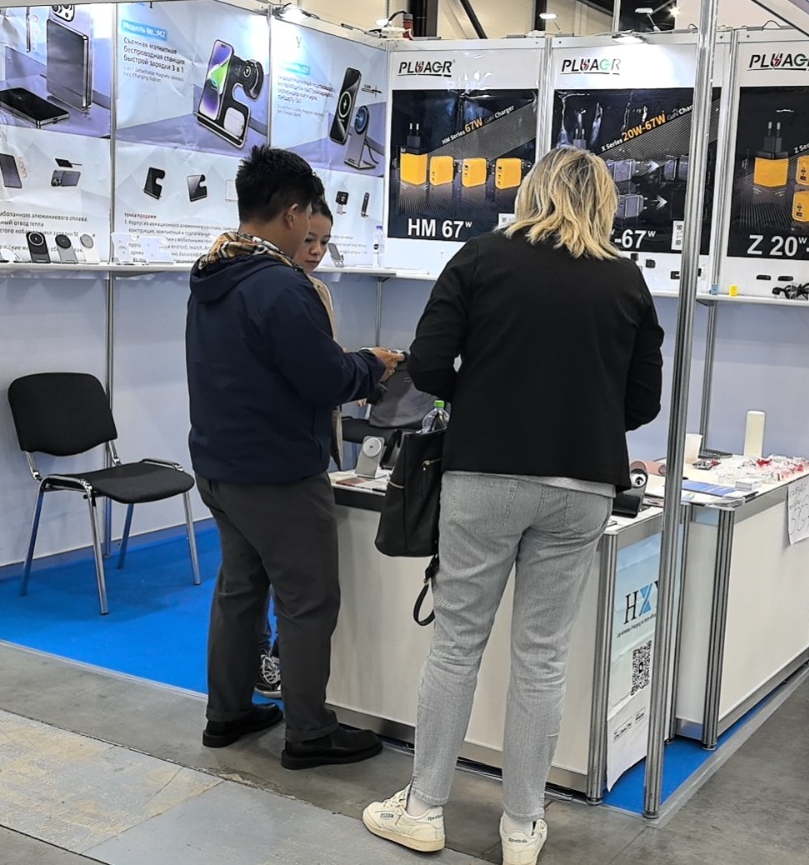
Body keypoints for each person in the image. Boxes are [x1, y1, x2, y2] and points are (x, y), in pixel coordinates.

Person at [362, 147, 664, 865]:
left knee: (457, 644)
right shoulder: (626, 279)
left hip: (484, 471)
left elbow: (427, 364)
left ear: (532, 191)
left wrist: (481, 396)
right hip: (583, 483)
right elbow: (643, 401)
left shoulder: (481, 258)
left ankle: (424, 809)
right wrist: (585, 416)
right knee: (543, 657)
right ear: (604, 201)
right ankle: (523, 826)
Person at [187, 145, 402, 767]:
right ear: (291, 213)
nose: (312, 232)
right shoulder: (282, 286)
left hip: (220, 466)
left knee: (239, 591)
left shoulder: (214, 272)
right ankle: (309, 732)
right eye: (309, 217)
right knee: (308, 600)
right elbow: (323, 378)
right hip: (278, 473)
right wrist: (372, 366)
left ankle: (227, 712)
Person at [248, 198, 343, 703]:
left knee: (268, 580)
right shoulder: (274, 289)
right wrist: (360, 372)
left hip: (300, 447)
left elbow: (321, 363)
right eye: (309, 239)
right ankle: (303, 718)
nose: (316, 250)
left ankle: (270, 671)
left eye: (324, 242)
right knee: (292, 586)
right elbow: (313, 374)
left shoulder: (316, 291)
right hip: (275, 460)